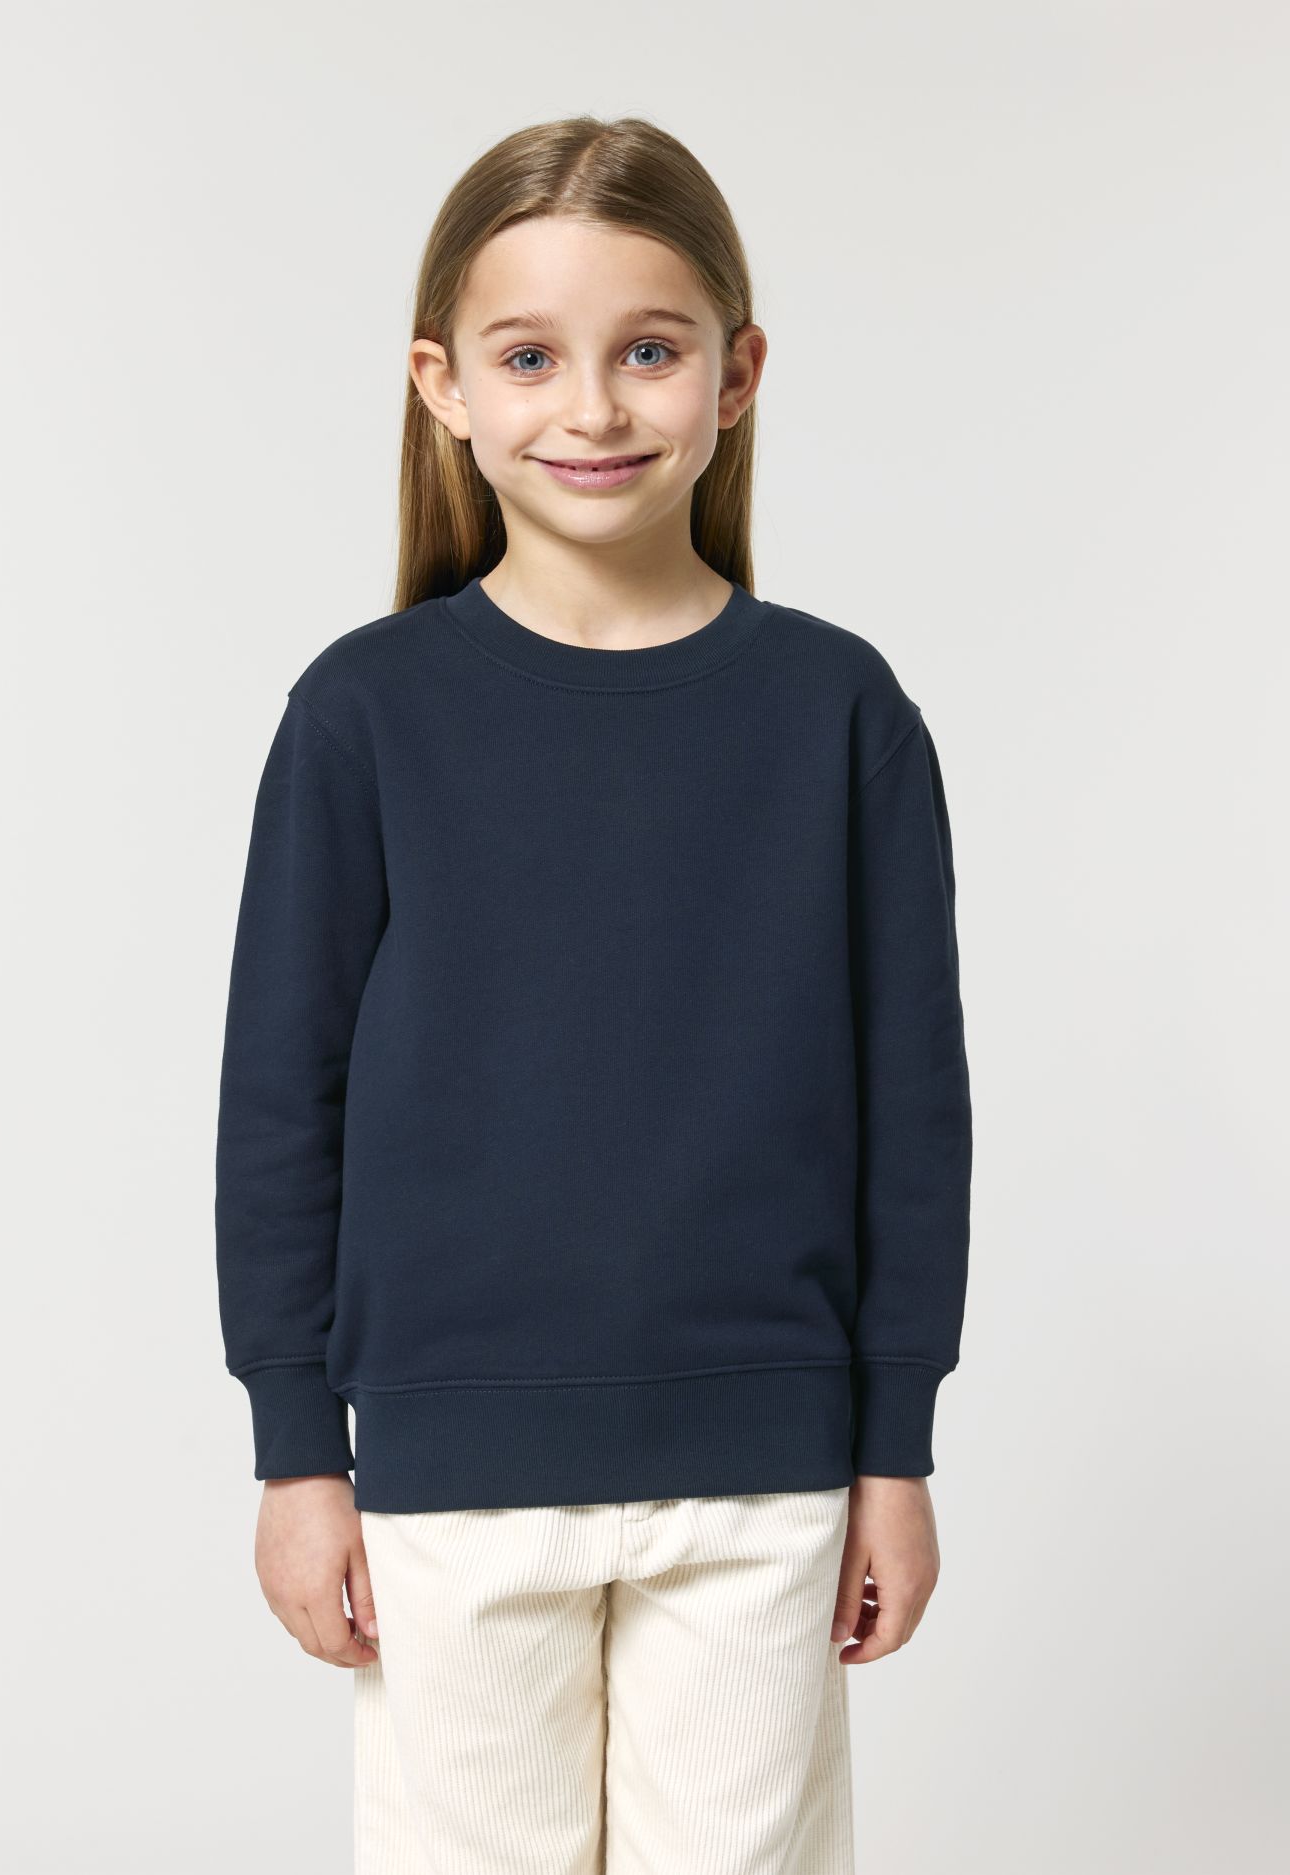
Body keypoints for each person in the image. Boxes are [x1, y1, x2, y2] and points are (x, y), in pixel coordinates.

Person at [214, 112, 973, 1874]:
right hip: (449, 1477)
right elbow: (280, 1105)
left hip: (766, 1479)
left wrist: (897, 1450)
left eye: (648, 350)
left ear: (738, 371)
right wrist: (295, 1453)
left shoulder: (841, 716)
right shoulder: (364, 715)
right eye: (529, 357)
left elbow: (913, 1114)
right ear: (442, 386)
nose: (595, 407)